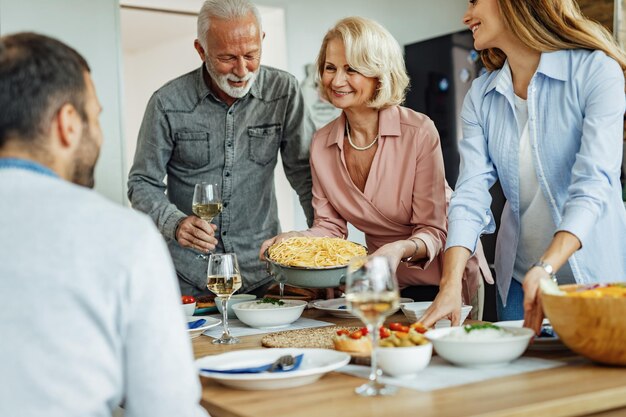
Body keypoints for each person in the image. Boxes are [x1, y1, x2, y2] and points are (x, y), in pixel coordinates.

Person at [0, 33, 208, 417]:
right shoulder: (121, 237)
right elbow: (166, 410)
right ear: (67, 124)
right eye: (95, 114)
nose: (98, 131)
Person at [420, 0, 626, 332]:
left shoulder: (595, 71)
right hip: (518, 279)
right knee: (520, 383)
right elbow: (471, 193)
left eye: (474, 1)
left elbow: (594, 183)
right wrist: (450, 285)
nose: (466, 15)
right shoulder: (481, 96)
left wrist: (546, 268)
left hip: (594, 279)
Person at [260, 17, 492, 311]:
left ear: (379, 74)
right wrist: (294, 239)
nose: (337, 80)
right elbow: (329, 228)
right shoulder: (321, 143)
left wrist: (397, 248)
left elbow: (434, 229)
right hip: (383, 281)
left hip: (444, 275)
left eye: (351, 69)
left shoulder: (418, 132)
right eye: (330, 68)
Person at [128, 0, 314, 298]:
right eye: (227, 58)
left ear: (262, 41)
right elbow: (141, 183)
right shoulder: (167, 102)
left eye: (251, 55)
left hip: (263, 269)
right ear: (201, 50)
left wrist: (323, 248)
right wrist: (174, 223)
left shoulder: (284, 91)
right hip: (189, 274)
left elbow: (306, 175)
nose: (242, 70)